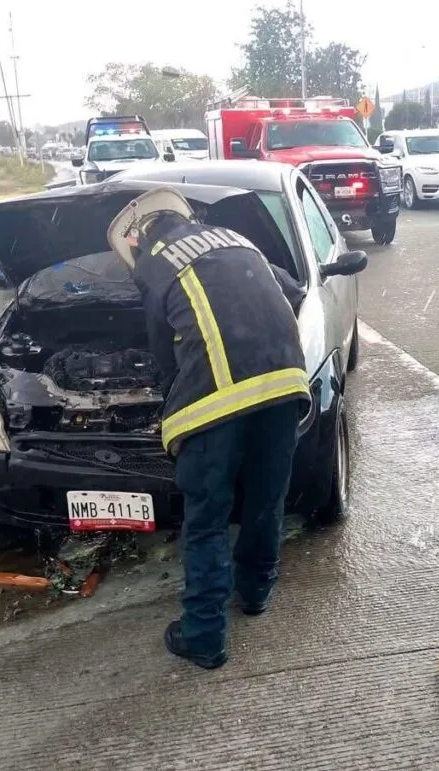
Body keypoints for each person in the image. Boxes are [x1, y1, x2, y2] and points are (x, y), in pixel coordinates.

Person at [107, 187, 311, 670]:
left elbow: (162, 352)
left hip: (215, 400)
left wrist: (169, 400)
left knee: (207, 519)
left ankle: (203, 633)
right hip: (283, 385)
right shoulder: (238, 239)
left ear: (138, 237)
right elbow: (295, 292)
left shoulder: (154, 261)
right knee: (266, 501)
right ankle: (256, 592)